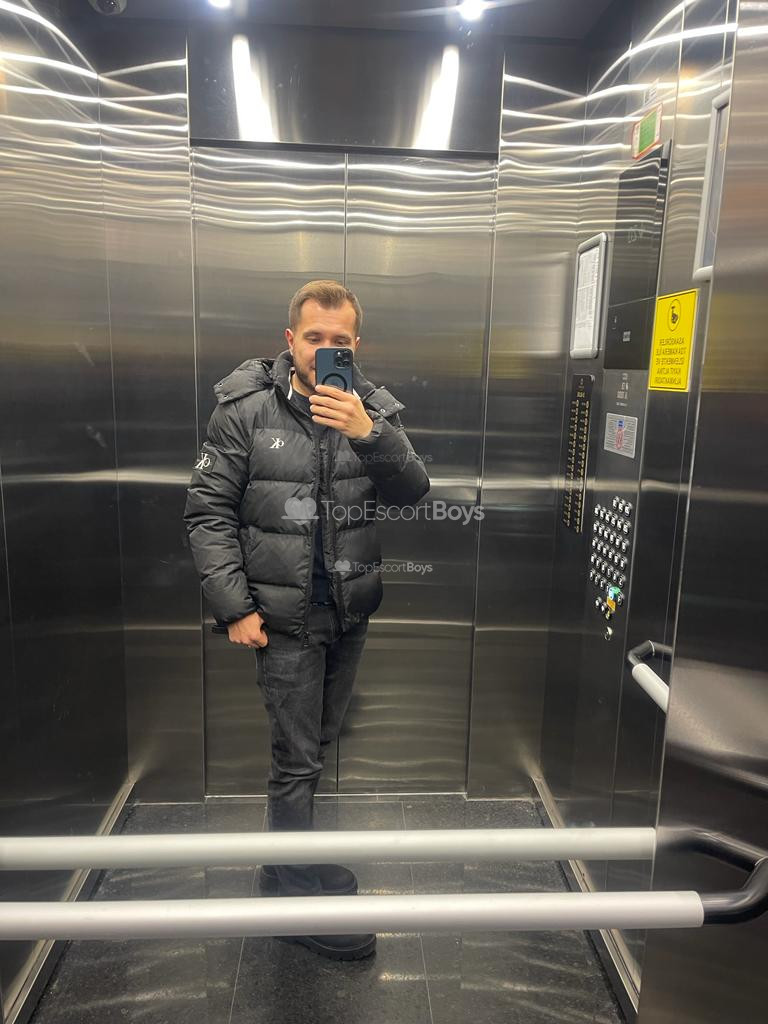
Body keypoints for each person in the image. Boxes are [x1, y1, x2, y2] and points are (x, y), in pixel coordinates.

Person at [183, 280, 430, 960]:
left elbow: (413, 491)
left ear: (356, 345)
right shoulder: (244, 410)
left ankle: (285, 866)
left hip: (347, 612)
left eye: (339, 341)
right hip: (282, 618)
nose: (325, 350)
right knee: (296, 762)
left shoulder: (370, 409)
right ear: (289, 339)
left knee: (317, 744)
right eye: (314, 337)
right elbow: (207, 514)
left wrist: (368, 434)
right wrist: (234, 607)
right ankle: (292, 902)